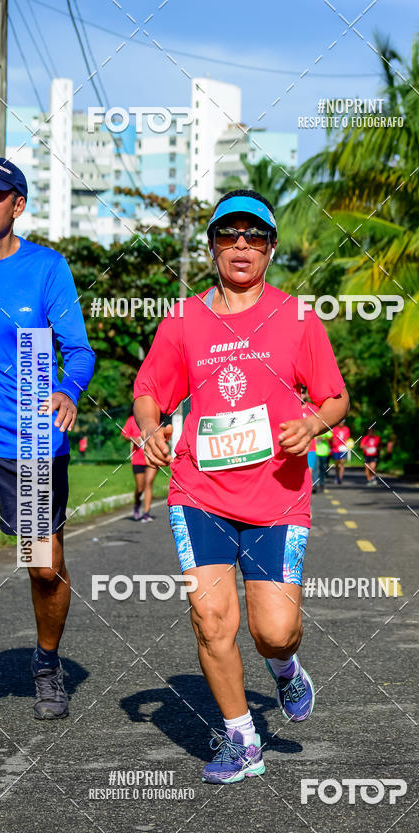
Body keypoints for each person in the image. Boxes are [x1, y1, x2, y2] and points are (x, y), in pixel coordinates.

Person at [133, 189, 349, 784]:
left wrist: (313, 423)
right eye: (229, 234)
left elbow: (335, 397)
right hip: (199, 491)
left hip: (277, 494)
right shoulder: (183, 319)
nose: (241, 245)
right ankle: (241, 738)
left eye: (254, 236)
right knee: (211, 620)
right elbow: (149, 389)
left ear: (271, 249)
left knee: (273, 632)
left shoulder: (298, 317)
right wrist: (150, 429)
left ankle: (285, 668)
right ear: (213, 247)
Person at [0, 158, 94, 749]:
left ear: (18, 206)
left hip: (31, 439)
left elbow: (77, 350)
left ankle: (46, 661)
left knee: (42, 568)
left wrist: (67, 389)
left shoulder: (45, 269)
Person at [122, 413, 157, 521]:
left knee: (149, 483)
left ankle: (146, 513)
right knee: (140, 488)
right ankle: (137, 505)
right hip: (138, 459)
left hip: (152, 458)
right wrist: (133, 439)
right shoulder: (132, 420)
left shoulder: (154, 418)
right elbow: (124, 435)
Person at [331, 420, 351, 485]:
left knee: (342, 462)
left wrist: (347, 444)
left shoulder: (346, 429)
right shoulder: (334, 429)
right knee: (337, 463)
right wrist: (334, 442)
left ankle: (340, 478)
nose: (341, 423)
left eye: (343, 422)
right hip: (336, 449)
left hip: (343, 448)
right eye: (340, 422)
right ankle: (337, 476)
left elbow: (348, 438)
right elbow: (332, 439)